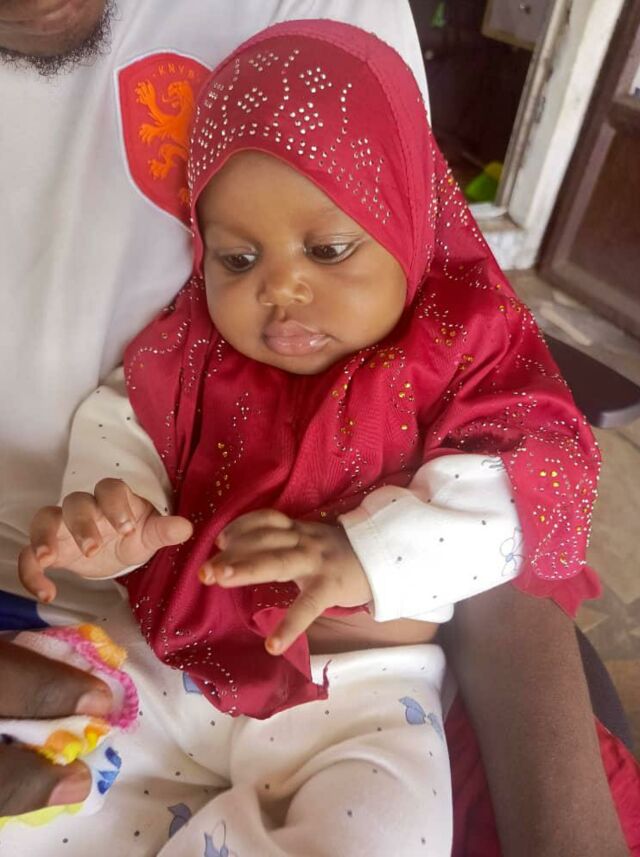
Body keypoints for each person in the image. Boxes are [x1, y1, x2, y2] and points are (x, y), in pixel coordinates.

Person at [0, 3, 635, 856]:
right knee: (52, 801)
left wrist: (361, 553)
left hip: (363, 698)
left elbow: (520, 501)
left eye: (328, 251)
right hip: (171, 659)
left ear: (408, 223)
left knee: (380, 836)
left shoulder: (455, 349)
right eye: (238, 258)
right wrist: (111, 512)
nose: (281, 288)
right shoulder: (190, 349)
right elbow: (122, 421)